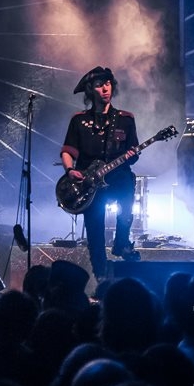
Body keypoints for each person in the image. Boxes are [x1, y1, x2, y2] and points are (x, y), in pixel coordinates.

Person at [59, 66, 139, 282]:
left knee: (127, 196)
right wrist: (70, 170)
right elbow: (68, 151)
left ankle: (122, 243)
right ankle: (101, 277)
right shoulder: (79, 120)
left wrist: (132, 155)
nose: (105, 89)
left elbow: (134, 155)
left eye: (108, 84)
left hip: (118, 177)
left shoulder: (125, 119)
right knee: (95, 230)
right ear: (90, 90)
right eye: (99, 85)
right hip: (90, 183)